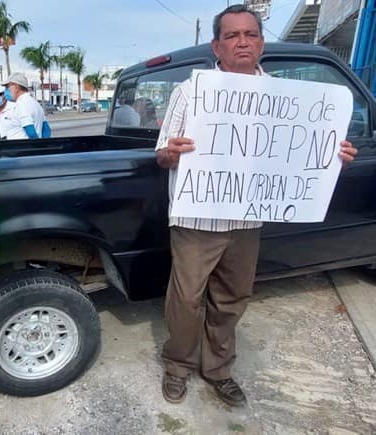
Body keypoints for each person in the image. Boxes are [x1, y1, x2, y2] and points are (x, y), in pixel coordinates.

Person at [155, 4, 358, 408]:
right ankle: (177, 366)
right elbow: (162, 153)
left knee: (233, 297)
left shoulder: (288, 97)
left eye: (250, 34)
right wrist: (172, 153)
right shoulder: (192, 91)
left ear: (261, 43)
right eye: (232, 36)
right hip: (199, 216)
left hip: (248, 217)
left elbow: (300, 150)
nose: (242, 41)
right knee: (187, 298)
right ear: (217, 45)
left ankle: (219, 370)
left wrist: (334, 154)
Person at [2, 72, 51, 139]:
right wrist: (43, 146)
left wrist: (37, 145)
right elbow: (47, 130)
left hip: (20, 148)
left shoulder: (22, 104)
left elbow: (31, 132)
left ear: (16, 86)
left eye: (7, 87)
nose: (6, 90)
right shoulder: (36, 104)